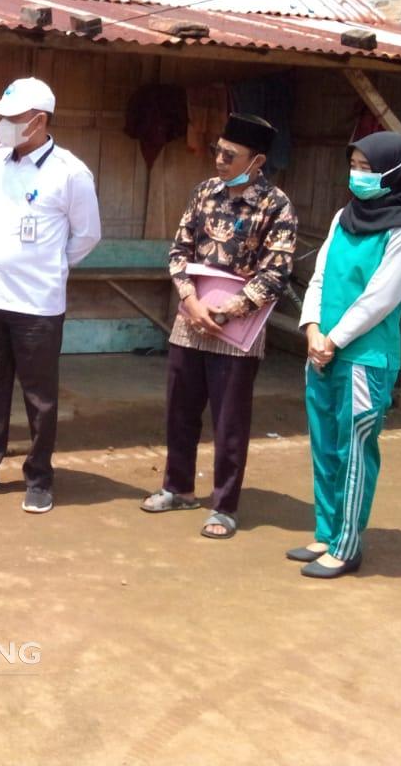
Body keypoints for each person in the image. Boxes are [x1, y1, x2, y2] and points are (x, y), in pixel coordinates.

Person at [0, 77, 101, 514]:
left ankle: (40, 477)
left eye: (13, 120)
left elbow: (87, 235)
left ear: (39, 121)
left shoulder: (70, 173)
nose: (4, 127)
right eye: (3, 119)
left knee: (39, 396)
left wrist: (48, 266)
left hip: (38, 305)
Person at [140, 113, 297, 539]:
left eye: (231, 155)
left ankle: (224, 506)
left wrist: (229, 311)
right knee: (179, 411)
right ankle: (177, 487)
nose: (220, 161)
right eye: (218, 151)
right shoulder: (204, 193)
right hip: (190, 321)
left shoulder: (276, 205)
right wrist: (190, 300)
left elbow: (276, 273)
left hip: (237, 330)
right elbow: (178, 251)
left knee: (230, 422)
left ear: (257, 161)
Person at [290, 132, 401, 578]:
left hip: (363, 356)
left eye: (368, 168)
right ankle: (326, 532)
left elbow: (381, 298)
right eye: (354, 164)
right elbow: (317, 277)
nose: (358, 175)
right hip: (322, 350)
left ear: (395, 173)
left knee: (354, 448)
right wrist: (312, 328)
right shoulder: (343, 216)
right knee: (324, 444)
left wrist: (333, 339)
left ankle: (347, 545)